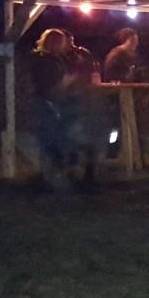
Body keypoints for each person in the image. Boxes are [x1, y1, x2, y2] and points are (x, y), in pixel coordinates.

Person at [30, 29, 76, 191]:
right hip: (47, 102)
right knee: (50, 139)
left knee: (52, 139)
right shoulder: (45, 60)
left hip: (49, 101)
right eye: (62, 42)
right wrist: (67, 81)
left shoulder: (50, 59)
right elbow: (50, 83)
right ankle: (49, 177)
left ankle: (50, 175)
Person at [60, 30, 103, 190]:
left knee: (87, 137)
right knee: (73, 139)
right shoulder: (59, 57)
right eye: (67, 41)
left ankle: (88, 175)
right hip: (69, 101)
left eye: (72, 40)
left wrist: (94, 80)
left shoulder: (82, 53)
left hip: (85, 101)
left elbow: (94, 68)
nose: (71, 44)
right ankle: (73, 173)